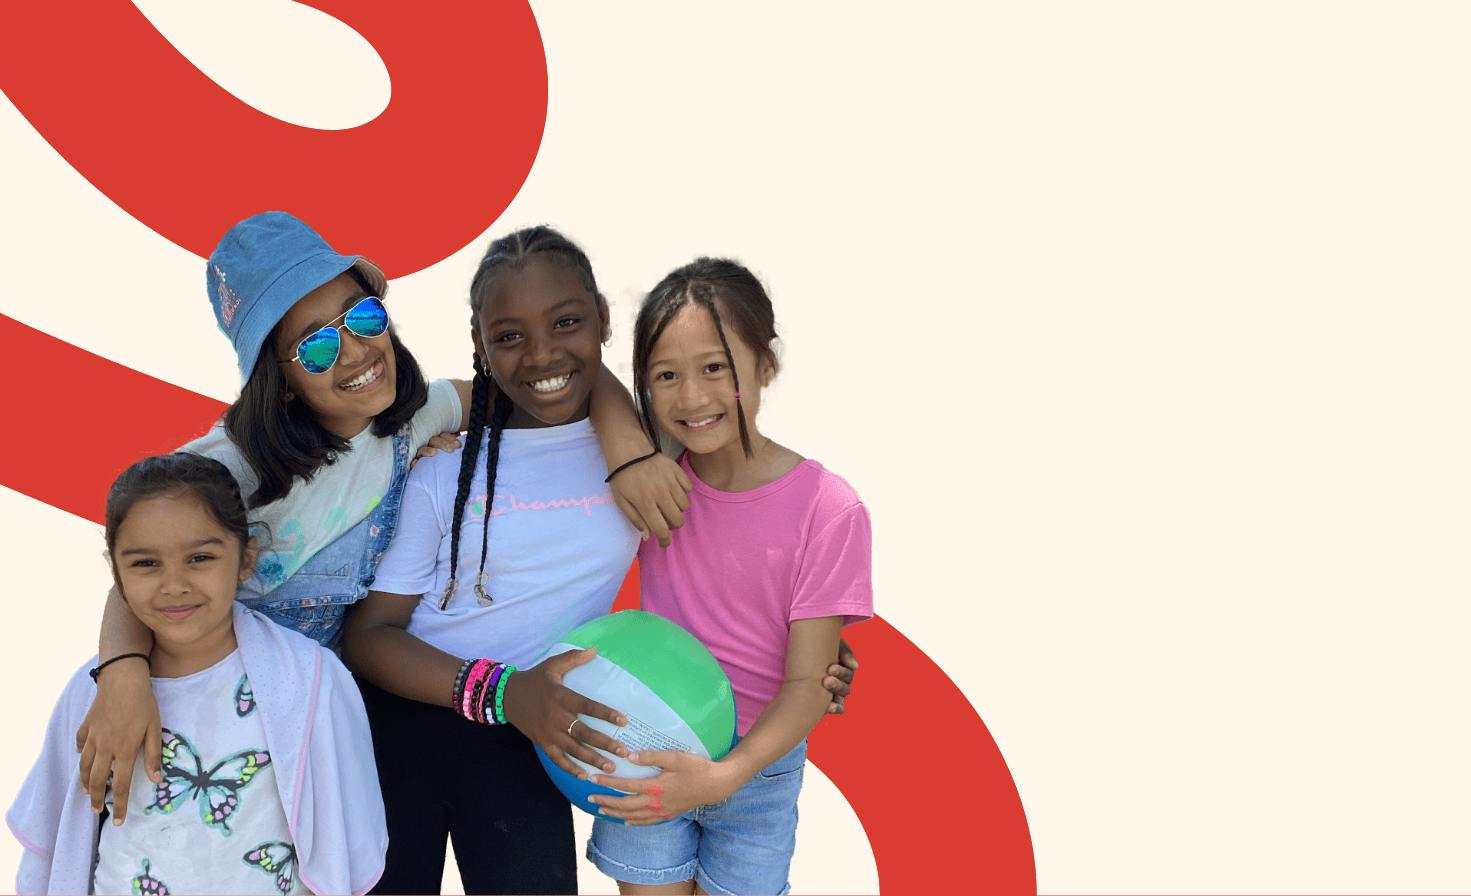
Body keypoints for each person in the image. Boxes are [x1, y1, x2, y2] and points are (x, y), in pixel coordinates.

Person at [78, 212, 697, 822]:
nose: (354, 352)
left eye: (362, 317)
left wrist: (630, 452)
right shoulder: (229, 468)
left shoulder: (417, 415)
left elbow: (546, 378)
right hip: (181, 708)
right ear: (279, 378)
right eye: (315, 345)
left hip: (307, 720)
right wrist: (123, 676)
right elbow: (138, 577)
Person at [341, 228, 854, 895]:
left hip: (538, 730)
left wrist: (808, 661)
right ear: (480, 342)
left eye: (567, 323)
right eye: (509, 336)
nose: (542, 353)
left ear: (604, 320)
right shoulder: (447, 466)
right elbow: (370, 636)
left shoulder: (659, 443)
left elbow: (747, 518)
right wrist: (502, 691)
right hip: (414, 716)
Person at [584, 258, 873, 896]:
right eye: (666, 376)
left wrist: (725, 775)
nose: (691, 397)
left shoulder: (829, 510)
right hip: (646, 743)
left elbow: (809, 683)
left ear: (765, 366)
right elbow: (587, 378)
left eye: (716, 367)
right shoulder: (655, 476)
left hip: (757, 772)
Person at [9, 453, 387, 895]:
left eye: (200, 558)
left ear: (246, 559)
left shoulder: (310, 680)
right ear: (116, 571)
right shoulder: (93, 692)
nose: (174, 584)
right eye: (146, 564)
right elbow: (56, 832)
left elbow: (348, 838)